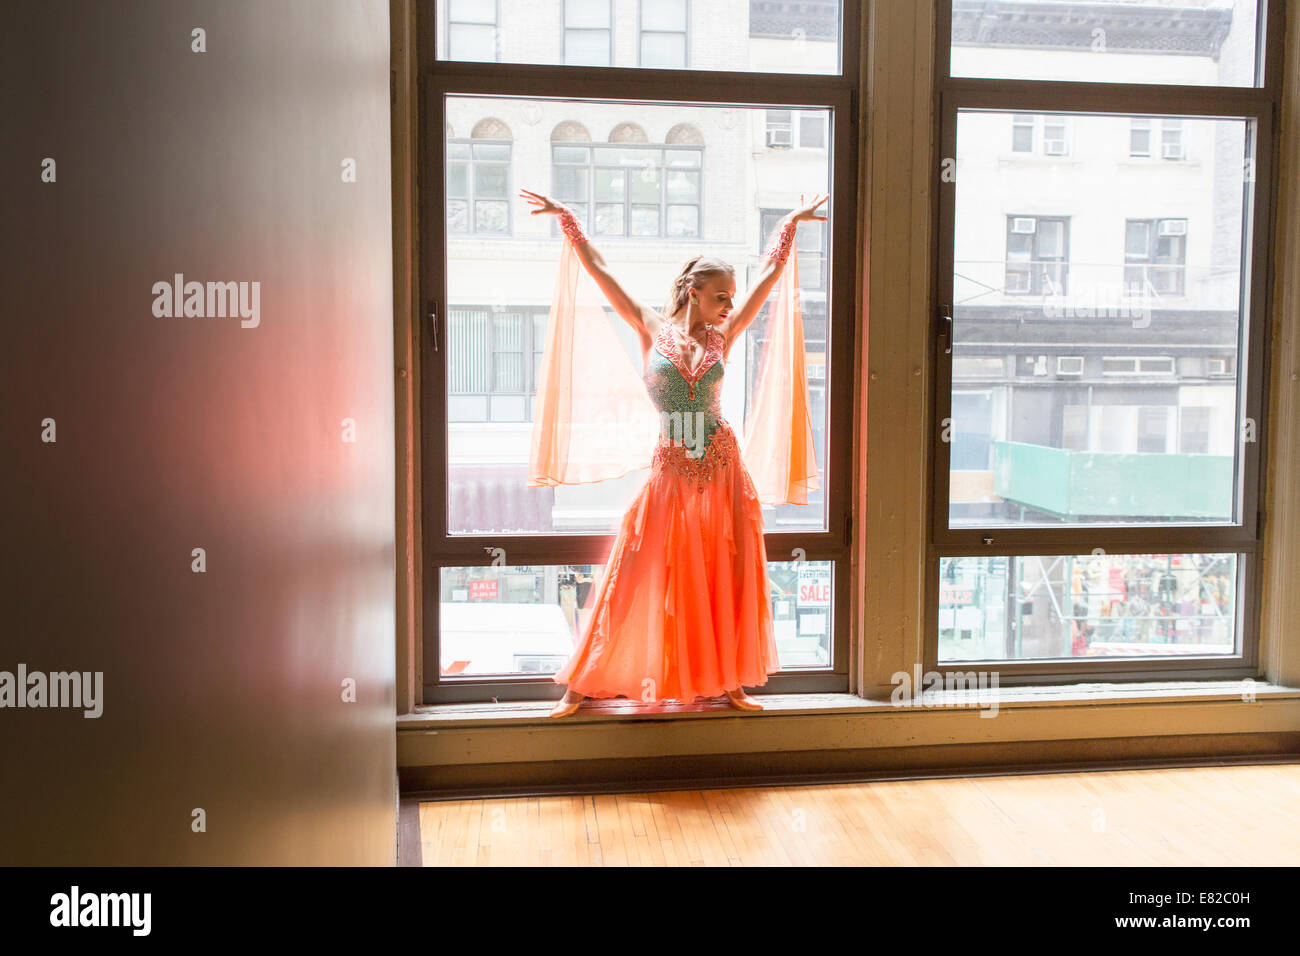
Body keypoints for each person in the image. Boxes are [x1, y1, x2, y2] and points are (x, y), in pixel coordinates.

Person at [519, 187, 827, 718]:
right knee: (636, 566)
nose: (729, 304)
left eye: (731, 297)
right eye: (721, 295)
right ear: (692, 289)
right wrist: (568, 219)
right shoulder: (650, 327)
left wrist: (791, 226)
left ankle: (729, 682)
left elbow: (769, 280)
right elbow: (600, 272)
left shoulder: (722, 337)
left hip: (722, 466)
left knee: (724, 572)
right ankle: (582, 685)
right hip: (671, 467)